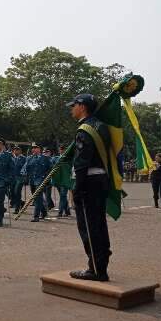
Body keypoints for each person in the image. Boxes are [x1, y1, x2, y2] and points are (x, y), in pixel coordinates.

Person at [67, 93, 112, 282]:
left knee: (88, 226)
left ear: (82, 107)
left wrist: (77, 187)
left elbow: (82, 162)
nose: (71, 109)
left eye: (73, 105)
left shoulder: (84, 130)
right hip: (101, 180)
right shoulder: (101, 126)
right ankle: (100, 265)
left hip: (88, 182)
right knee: (99, 225)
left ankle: (95, 270)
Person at [22, 143, 50, 222]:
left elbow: (50, 168)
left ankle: (36, 216)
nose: (33, 149)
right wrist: (24, 175)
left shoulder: (45, 158)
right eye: (33, 148)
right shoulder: (29, 158)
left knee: (38, 198)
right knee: (36, 197)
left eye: (35, 148)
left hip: (40, 180)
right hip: (32, 181)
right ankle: (44, 212)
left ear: (39, 149)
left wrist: (47, 178)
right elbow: (25, 168)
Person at [51, 144, 73, 217]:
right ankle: (67, 211)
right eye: (61, 149)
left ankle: (60, 212)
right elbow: (51, 166)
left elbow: (72, 169)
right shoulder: (55, 159)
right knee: (62, 196)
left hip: (65, 181)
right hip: (58, 180)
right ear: (59, 150)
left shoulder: (69, 159)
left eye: (64, 149)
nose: (62, 150)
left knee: (63, 195)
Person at [11, 146, 26, 214]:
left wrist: (25, 178)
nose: (15, 151)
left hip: (20, 178)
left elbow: (25, 168)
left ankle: (17, 209)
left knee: (17, 192)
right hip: (13, 178)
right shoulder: (12, 158)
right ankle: (21, 203)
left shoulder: (23, 158)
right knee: (12, 192)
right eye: (14, 150)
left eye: (17, 150)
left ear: (20, 151)